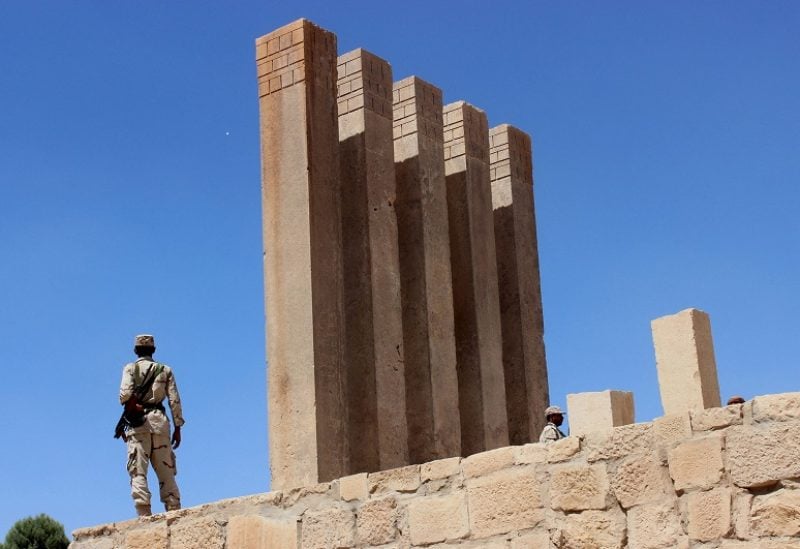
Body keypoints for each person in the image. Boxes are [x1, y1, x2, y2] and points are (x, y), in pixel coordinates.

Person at [119, 334, 185, 516]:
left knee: (138, 471)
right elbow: (174, 401)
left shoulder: (130, 368)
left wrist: (135, 407)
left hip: (138, 425)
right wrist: (178, 428)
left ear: (135, 350)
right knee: (166, 472)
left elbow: (125, 395)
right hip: (160, 422)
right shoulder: (165, 370)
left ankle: (144, 515)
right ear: (153, 350)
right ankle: (174, 514)